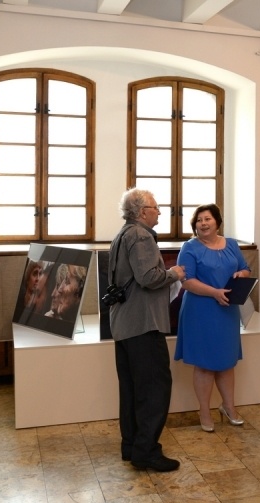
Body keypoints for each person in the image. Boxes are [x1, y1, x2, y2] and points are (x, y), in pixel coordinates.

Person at [109, 188, 185, 473]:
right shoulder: (141, 236)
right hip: (144, 324)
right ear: (142, 212)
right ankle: (146, 452)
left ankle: (131, 446)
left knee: (131, 389)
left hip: (125, 324)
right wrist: (174, 274)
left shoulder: (121, 234)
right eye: (155, 207)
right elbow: (148, 277)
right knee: (154, 389)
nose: (159, 211)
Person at [175, 204, 251, 432]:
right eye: (199, 220)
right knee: (205, 365)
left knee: (227, 363)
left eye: (207, 219)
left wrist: (241, 274)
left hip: (227, 310)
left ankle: (228, 407)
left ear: (217, 221)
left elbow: (245, 268)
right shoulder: (189, 247)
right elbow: (186, 281)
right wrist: (214, 293)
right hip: (201, 310)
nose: (203, 223)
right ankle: (204, 411)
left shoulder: (232, 245)